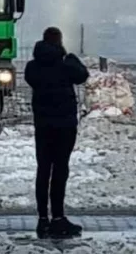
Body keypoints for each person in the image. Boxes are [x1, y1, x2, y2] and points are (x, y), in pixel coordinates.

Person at [23, 26, 89, 239]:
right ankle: (58, 218)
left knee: (43, 170)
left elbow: (32, 80)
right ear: (59, 42)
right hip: (65, 125)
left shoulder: (32, 67)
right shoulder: (65, 65)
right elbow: (82, 76)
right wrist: (70, 56)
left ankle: (43, 219)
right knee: (60, 170)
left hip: (42, 125)